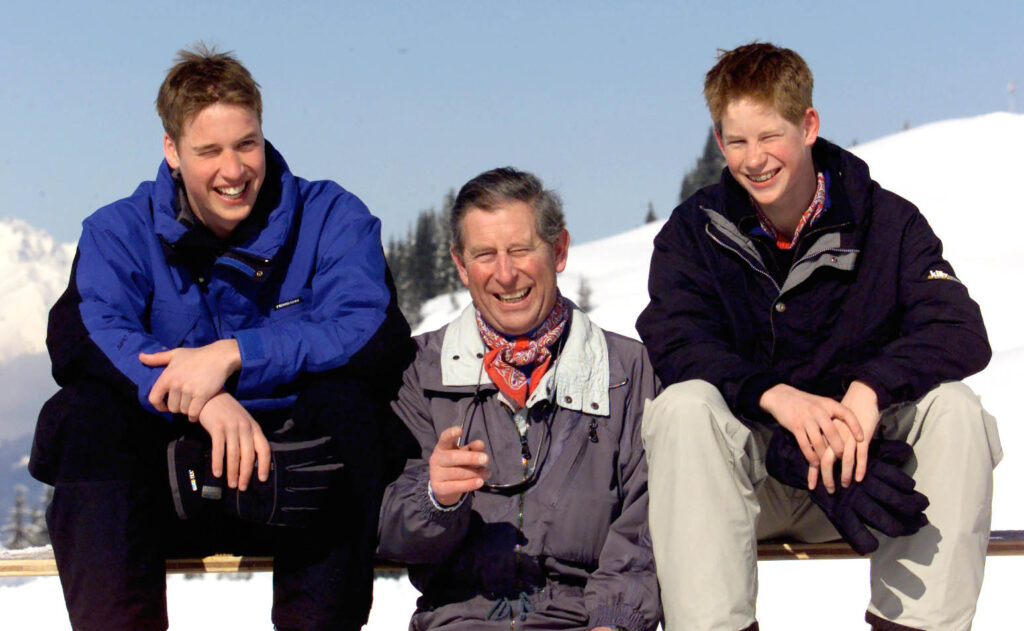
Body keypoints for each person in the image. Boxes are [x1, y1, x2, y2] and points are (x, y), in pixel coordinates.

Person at [29, 45, 412, 631]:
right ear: (172, 151)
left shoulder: (334, 216)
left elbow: (368, 331)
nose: (233, 171)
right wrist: (202, 396)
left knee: (353, 411)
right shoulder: (117, 231)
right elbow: (88, 337)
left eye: (246, 144)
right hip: (160, 486)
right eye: (209, 150)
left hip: (301, 485)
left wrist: (234, 356)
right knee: (82, 417)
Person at [636, 42, 1002, 631]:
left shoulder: (888, 222)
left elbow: (959, 329)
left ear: (808, 125)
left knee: (956, 409)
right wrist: (775, 399)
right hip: (742, 487)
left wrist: (870, 388)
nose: (753, 159)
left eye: (769, 136)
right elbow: (675, 341)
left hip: (869, 479)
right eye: (736, 141)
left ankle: (919, 625)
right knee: (683, 408)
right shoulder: (694, 233)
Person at [378, 167, 661, 630]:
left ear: (560, 250)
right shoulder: (419, 373)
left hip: (585, 620)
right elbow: (384, 522)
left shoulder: (628, 372)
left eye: (520, 250)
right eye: (485, 254)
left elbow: (646, 523)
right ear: (460, 265)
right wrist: (435, 500)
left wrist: (615, 620)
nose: (505, 274)